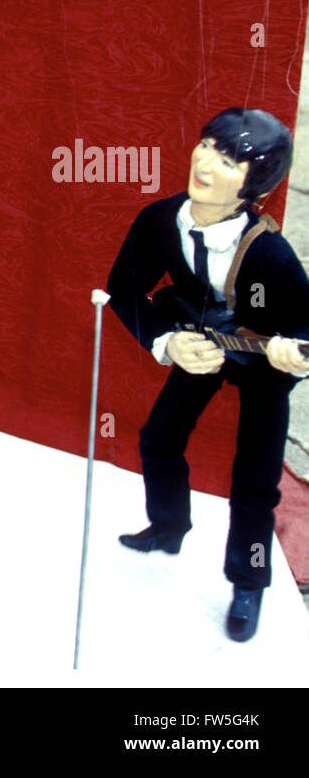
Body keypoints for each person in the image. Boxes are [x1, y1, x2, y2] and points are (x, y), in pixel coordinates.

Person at [106, 107, 307, 642]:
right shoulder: (160, 221)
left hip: (262, 361)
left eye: (230, 160)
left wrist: (295, 353)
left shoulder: (271, 254)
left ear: (253, 185)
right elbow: (124, 291)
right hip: (202, 342)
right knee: (159, 438)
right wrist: (167, 340)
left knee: (256, 478)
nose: (207, 164)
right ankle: (169, 525)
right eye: (208, 147)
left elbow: (305, 331)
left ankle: (248, 581)